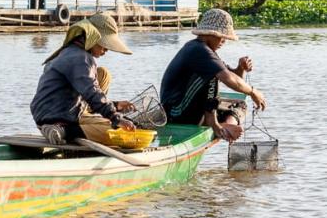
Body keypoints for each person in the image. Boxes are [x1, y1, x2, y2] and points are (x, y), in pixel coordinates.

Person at [160, 8, 267, 141]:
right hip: (175, 113)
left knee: (240, 104)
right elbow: (227, 78)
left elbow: (235, 79)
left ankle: (226, 125)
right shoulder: (197, 49)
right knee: (212, 75)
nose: (223, 41)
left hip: (190, 110)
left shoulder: (206, 51)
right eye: (222, 37)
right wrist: (253, 91)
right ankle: (214, 124)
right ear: (210, 34)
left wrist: (241, 68)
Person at [30, 13, 136, 145]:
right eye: (104, 45)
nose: (106, 50)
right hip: (56, 116)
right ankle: (64, 131)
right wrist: (115, 117)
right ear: (93, 38)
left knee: (103, 74)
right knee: (119, 134)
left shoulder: (72, 51)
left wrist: (114, 105)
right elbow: (92, 92)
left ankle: (74, 125)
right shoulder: (81, 58)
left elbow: (88, 93)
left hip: (56, 111)